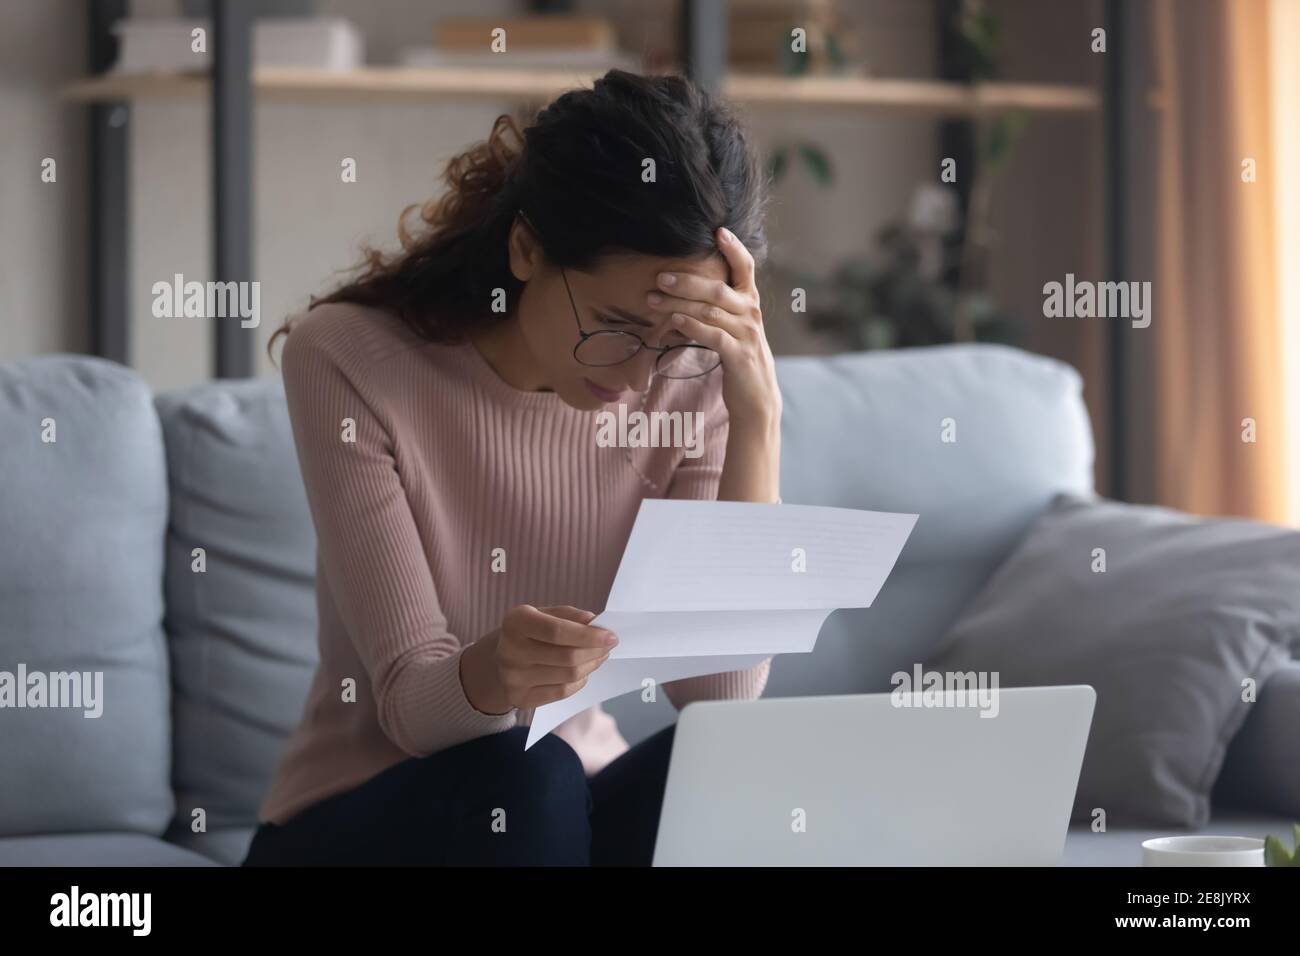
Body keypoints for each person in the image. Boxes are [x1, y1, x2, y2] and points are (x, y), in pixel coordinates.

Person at [241, 69, 781, 867]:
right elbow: (409, 709)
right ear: (527, 248)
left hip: (565, 818)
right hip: (364, 819)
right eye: (616, 326)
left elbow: (718, 695)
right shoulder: (353, 360)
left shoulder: (695, 385)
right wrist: (494, 673)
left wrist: (756, 419)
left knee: (736, 765)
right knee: (527, 777)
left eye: (677, 342)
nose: (639, 378)